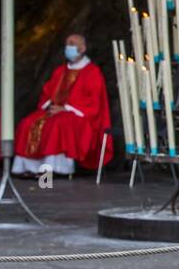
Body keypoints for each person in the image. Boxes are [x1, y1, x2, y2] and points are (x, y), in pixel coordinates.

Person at [12, 34, 113, 178]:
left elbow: (93, 102)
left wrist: (66, 108)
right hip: (55, 110)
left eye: (72, 44)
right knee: (27, 123)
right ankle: (27, 168)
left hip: (80, 116)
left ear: (82, 48)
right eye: (67, 44)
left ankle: (55, 169)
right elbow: (47, 92)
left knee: (57, 124)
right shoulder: (60, 71)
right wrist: (51, 104)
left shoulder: (92, 72)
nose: (68, 47)